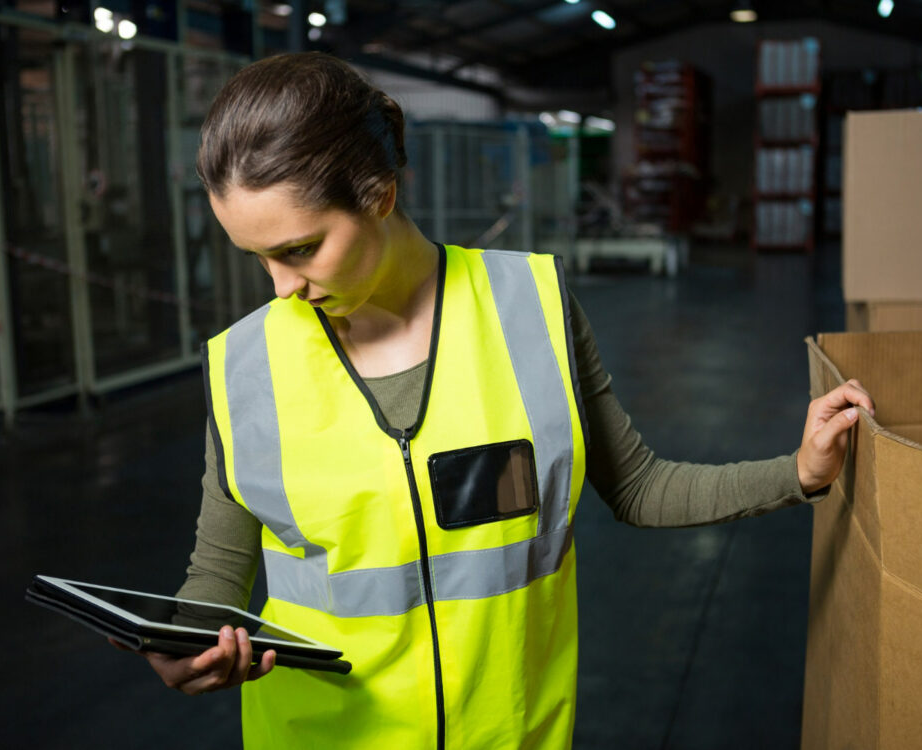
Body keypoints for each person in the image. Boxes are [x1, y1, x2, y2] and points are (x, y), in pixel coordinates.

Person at [119, 53, 874, 749]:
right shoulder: (247, 364)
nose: (281, 288)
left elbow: (640, 488)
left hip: (509, 733)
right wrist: (188, 640)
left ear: (379, 195)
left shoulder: (529, 308)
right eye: (256, 257)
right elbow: (218, 571)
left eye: (298, 250)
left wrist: (799, 473)